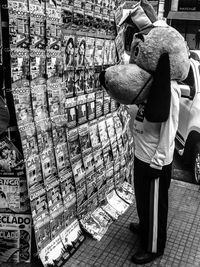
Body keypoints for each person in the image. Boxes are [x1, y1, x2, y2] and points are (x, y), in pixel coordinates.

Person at [130, 80, 181, 264]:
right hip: (142, 155)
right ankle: (145, 227)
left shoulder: (169, 88)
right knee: (143, 200)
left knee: (155, 206)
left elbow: (170, 127)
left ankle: (154, 247)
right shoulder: (148, 82)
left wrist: (158, 161)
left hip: (154, 161)